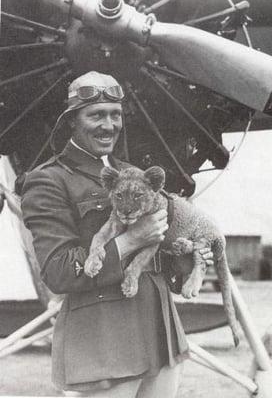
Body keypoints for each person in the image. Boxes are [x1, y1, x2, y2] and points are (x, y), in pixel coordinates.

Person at [21, 71, 213, 398]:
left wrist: (184, 259)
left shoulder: (134, 173)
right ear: (71, 122)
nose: (109, 125)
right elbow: (58, 272)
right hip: (104, 341)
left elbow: (158, 248)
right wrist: (130, 241)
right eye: (96, 115)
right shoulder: (48, 180)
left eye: (115, 115)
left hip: (160, 331)